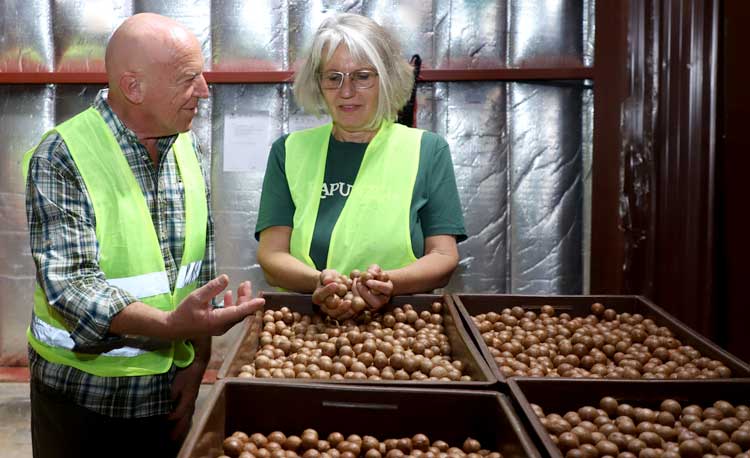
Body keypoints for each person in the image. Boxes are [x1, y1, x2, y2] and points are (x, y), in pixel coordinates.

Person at [23, 13, 264, 458]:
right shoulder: (62, 155)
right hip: (85, 402)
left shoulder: (185, 142)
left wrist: (200, 357)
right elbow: (72, 288)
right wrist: (173, 326)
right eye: (189, 78)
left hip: (168, 391)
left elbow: (197, 264)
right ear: (134, 88)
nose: (205, 91)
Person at [256, 13, 466, 319]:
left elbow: (444, 256)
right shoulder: (288, 152)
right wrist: (321, 284)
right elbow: (272, 255)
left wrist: (389, 283)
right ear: (319, 83)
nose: (346, 91)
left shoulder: (427, 150)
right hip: (306, 329)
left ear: (387, 78)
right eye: (333, 77)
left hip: (403, 326)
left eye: (362, 76)